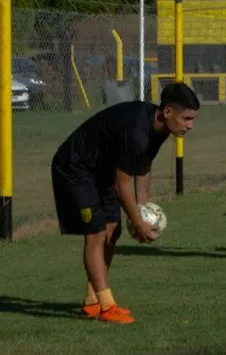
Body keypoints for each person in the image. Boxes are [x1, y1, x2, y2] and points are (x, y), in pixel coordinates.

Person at [51, 82, 200, 324]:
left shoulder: (160, 128)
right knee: (96, 233)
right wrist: (138, 222)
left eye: (193, 119)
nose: (190, 126)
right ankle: (108, 308)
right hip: (75, 169)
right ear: (168, 112)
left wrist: (142, 207)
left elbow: (142, 166)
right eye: (187, 118)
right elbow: (122, 186)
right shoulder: (136, 131)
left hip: (101, 172)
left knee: (113, 228)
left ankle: (92, 301)